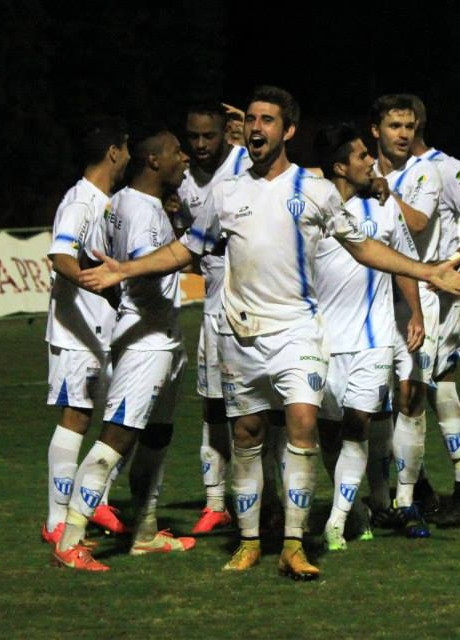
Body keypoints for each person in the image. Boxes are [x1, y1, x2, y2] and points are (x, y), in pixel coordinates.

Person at [78, 86, 460, 580]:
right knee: (246, 436)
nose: (255, 128)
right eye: (250, 119)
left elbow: (364, 247)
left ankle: (294, 542)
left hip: (298, 333)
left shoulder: (314, 191)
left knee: (303, 423)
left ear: (287, 130)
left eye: (267, 120)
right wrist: (125, 270)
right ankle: (249, 541)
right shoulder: (226, 193)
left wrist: (427, 272)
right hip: (241, 336)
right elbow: (187, 250)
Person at [52, 125, 196, 571]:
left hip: (165, 335)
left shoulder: (135, 204)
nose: (184, 158)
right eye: (176, 152)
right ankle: (70, 539)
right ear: (155, 160)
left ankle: (146, 531)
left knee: (158, 435)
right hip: (144, 340)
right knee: (116, 436)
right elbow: (142, 268)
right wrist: (191, 247)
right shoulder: (136, 209)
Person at [312, 122, 425, 550]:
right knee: (328, 432)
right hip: (323, 341)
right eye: (361, 156)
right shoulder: (312, 206)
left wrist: (414, 311)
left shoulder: (384, 205)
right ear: (339, 166)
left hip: (375, 337)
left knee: (357, 424)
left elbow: (401, 261)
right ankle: (357, 508)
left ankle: (337, 523)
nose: (372, 162)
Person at [42, 116, 130, 548]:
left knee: (114, 417)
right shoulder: (80, 202)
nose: (128, 158)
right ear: (114, 152)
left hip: (103, 329)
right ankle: (56, 519)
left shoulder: (106, 202)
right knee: (76, 416)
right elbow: (60, 254)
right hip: (77, 331)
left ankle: (95, 502)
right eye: (126, 149)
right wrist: (95, 283)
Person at [406, 94, 460, 526]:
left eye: (407, 123)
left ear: (418, 122)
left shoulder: (447, 166)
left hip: (441, 295)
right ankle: (415, 486)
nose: (401, 131)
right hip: (397, 294)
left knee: (440, 387)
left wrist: (453, 262)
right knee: (401, 392)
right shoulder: (377, 171)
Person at [368, 93, 443, 537]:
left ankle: (407, 500)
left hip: (415, 296)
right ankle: (379, 500)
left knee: (412, 398)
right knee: (373, 403)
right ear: (376, 129)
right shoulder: (355, 164)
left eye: (409, 127)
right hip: (368, 302)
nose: (403, 134)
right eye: (394, 126)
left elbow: (415, 224)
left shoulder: (425, 172)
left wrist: (383, 188)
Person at [176, 102, 253, 534]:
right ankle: (214, 503)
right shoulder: (182, 178)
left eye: (210, 136)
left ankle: (265, 499)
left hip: (257, 307)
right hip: (212, 310)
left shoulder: (247, 165)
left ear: (227, 133)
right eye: (194, 137)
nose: (202, 144)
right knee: (213, 406)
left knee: (262, 408)